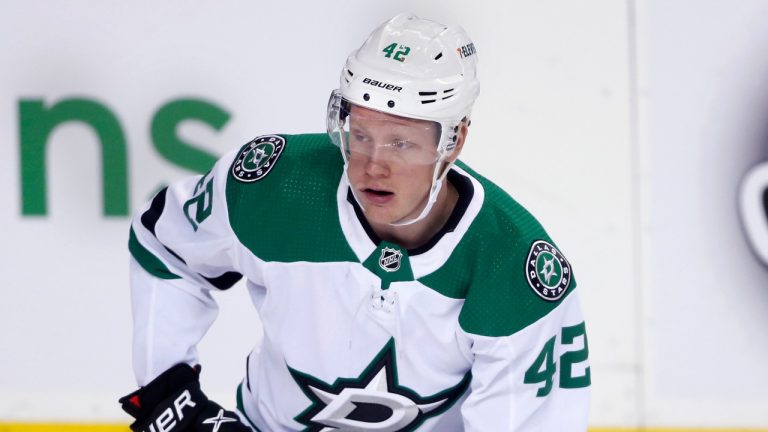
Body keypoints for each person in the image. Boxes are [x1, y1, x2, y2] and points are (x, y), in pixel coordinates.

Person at [120, 12, 591, 432]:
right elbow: (168, 246)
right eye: (360, 134)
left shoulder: (516, 270)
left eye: (402, 143)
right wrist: (169, 396)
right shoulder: (274, 186)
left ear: (454, 141)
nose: (372, 165)